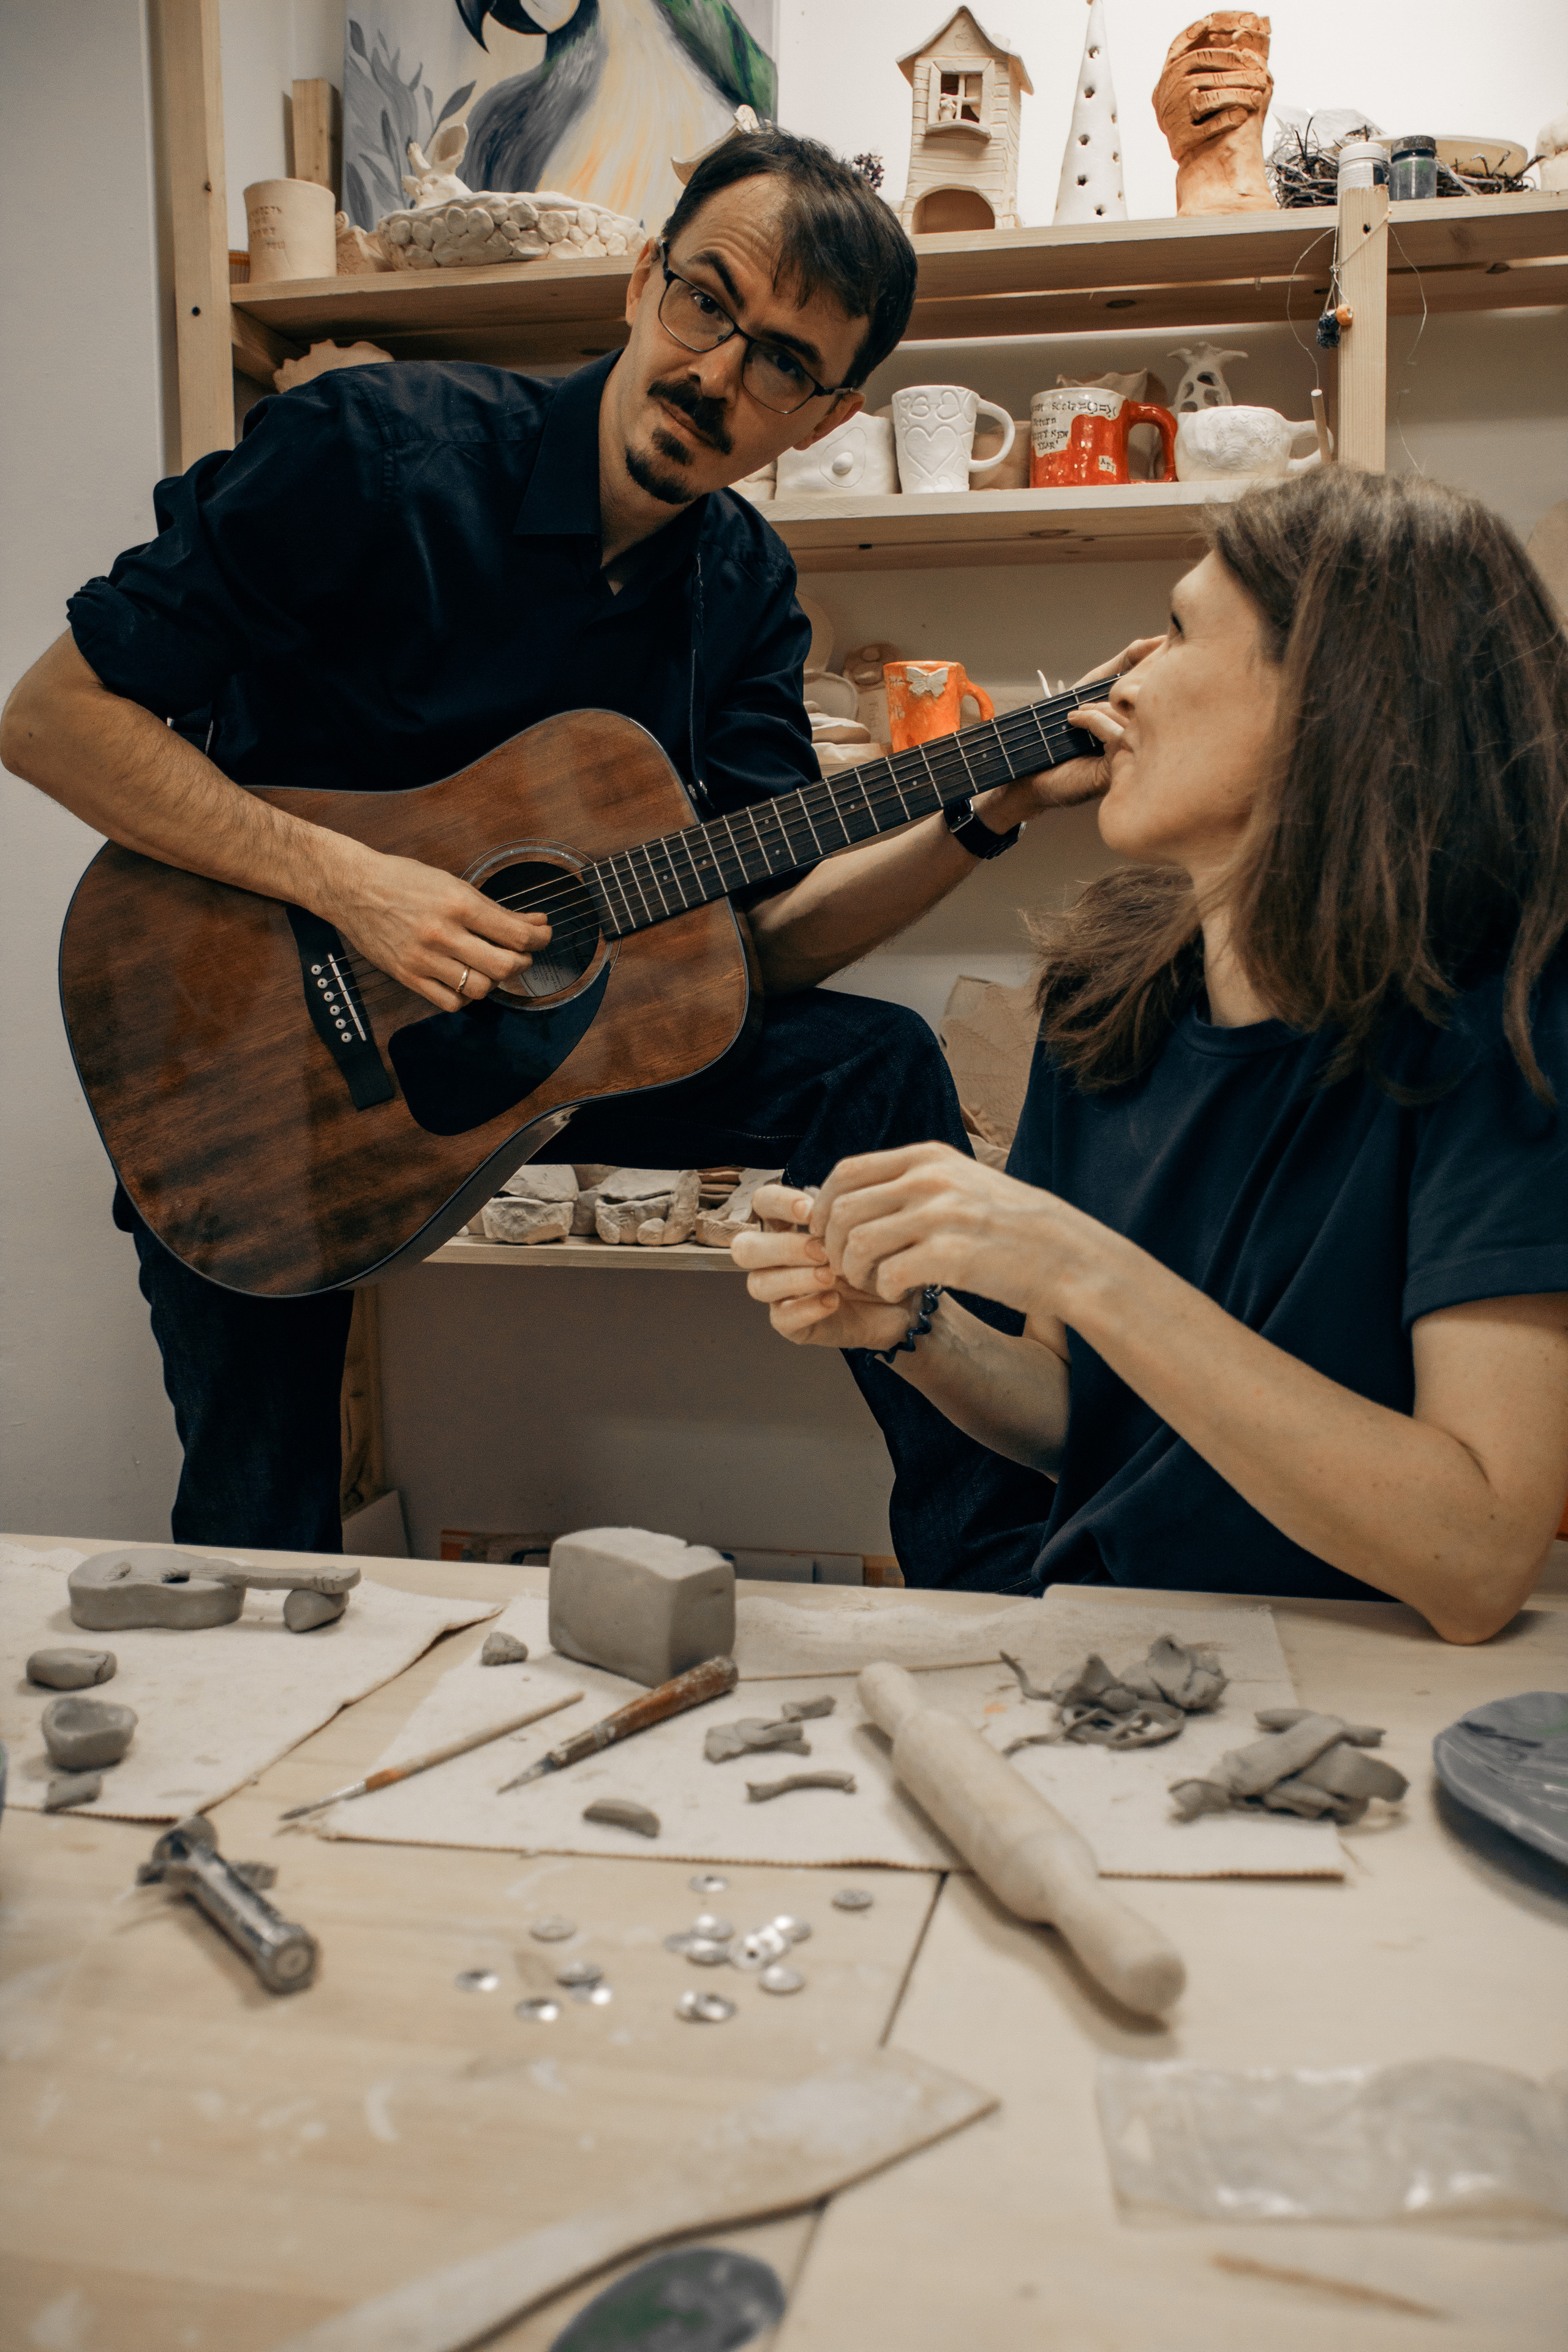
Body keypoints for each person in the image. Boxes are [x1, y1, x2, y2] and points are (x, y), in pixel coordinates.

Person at [1, 129, 1088, 1572]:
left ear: (824, 418)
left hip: (530, 1064)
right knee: (258, 1522)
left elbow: (751, 948)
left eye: (780, 363)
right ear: (645, 281)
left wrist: (980, 811)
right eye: (707, 302)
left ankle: (995, 1576)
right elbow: (52, 720)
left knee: (871, 1063)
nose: (714, 372)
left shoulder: (746, 595)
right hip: (248, 1041)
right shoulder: (372, 455)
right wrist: (358, 887)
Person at [736, 468, 1568, 1643]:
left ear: (1333, 700)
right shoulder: (1106, 992)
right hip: (1113, 1650)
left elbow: (1478, 1560)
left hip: (1364, 1680)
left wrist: (1078, 1265)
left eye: (1177, 631)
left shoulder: (1510, 1019)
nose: (1119, 682)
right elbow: (1081, 1417)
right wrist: (917, 1328)